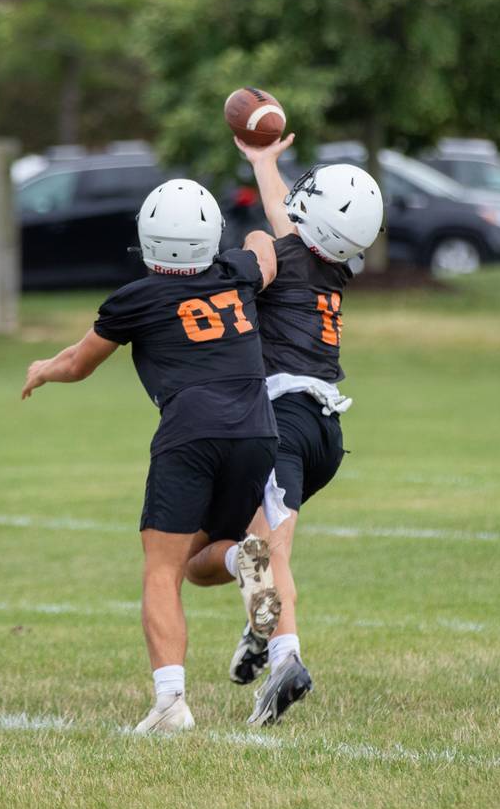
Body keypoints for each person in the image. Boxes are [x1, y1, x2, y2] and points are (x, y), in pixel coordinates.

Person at [21, 179, 283, 733]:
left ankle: (171, 704)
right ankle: (244, 562)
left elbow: (80, 363)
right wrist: (256, 227)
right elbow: (265, 252)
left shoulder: (136, 298)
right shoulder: (236, 275)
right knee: (197, 561)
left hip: (190, 432)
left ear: (148, 236)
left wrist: (43, 369)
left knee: (160, 571)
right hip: (258, 430)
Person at [186, 134, 383, 726]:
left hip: (281, 420)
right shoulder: (337, 263)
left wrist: (249, 243)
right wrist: (264, 163)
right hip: (324, 432)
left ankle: (285, 659)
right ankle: (261, 626)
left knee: (269, 554)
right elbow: (292, 222)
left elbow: (274, 237)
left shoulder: (278, 255)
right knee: (202, 558)